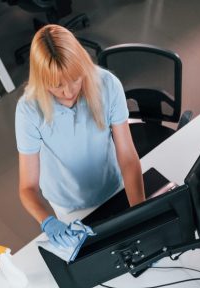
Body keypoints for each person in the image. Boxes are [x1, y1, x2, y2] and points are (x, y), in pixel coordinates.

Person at [15, 24, 144, 250]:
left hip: (112, 187)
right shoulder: (28, 110)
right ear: (42, 81)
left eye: (75, 78)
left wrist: (140, 212)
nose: (68, 91)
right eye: (57, 86)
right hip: (68, 206)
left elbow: (127, 156)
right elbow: (27, 187)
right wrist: (48, 221)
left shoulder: (107, 84)